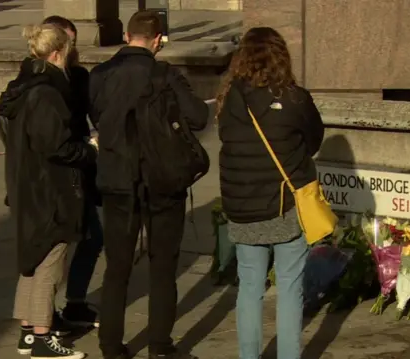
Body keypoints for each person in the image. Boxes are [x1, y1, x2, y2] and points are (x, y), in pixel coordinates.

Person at [89, 10, 208, 359]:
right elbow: (199, 117)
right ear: (157, 40)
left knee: (117, 269)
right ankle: (159, 345)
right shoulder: (166, 74)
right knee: (162, 266)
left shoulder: (99, 75)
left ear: (127, 37)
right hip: (163, 179)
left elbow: (97, 117)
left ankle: (111, 346)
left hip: (117, 180)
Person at [215, 27, 324, 359]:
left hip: (242, 206)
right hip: (285, 205)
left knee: (250, 287)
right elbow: (314, 140)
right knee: (290, 288)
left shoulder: (229, 98)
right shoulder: (294, 97)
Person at [0, 23, 98, 359]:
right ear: (58, 52)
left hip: (27, 186)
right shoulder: (46, 94)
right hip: (50, 191)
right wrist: (90, 149)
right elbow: (58, 147)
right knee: (49, 267)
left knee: (33, 259)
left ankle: (28, 331)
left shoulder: (23, 86)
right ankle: (42, 337)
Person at [42, 15, 103, 330]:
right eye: (67, 43)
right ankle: (42, 317)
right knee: (52, 250)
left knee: (92, 239)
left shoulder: (79, 77)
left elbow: (95, 112)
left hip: (81, 166)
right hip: (55, 176)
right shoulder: (40, 84)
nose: (71, 49)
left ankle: (75, 302)